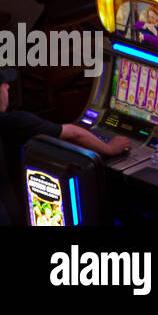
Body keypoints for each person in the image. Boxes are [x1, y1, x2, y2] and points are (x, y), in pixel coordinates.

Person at [1, 67, 131, 226]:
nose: (8, 86)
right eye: (3, 84)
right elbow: (74, 134)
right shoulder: (15, 122)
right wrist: (109, 148)